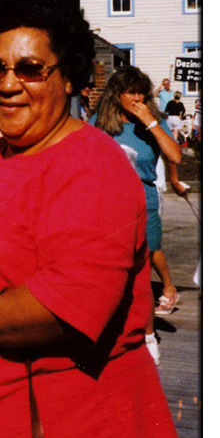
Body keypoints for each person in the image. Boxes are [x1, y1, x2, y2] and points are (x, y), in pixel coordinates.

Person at [0, 0, 179, 438]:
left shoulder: (91, 164)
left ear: (71, 77)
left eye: (30, 68)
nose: (8, 84)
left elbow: (70, 303)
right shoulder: (3, 153)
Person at [92, 67, 185, 320]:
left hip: (143, 197)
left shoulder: (154, 121)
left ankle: (168, 287)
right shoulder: (100, 120)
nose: (136, 99)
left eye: (141, 93)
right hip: (108, 199)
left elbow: (175, 155)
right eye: (129, 93)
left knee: (150, 249)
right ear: (116, 94)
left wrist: (151, 122)